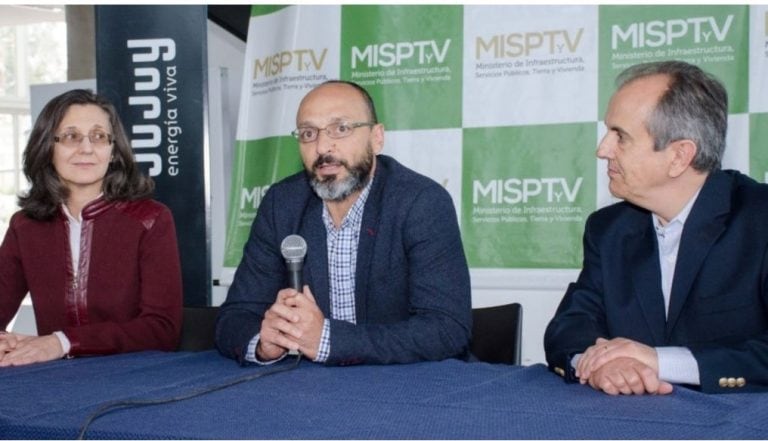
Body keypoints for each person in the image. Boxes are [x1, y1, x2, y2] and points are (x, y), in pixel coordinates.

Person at [544, 60, 768, 395]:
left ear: (679, 156)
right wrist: (602, 363)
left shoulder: (760, 219)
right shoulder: (609, 230)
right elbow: (569, 327)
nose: (602, 150)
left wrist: (659, 362)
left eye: (620, 136)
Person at [216, 80, 471, 365]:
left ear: (376, 138)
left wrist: (326, 340)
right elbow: (234, 318)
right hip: (311, 393)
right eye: (308, 133)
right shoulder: (282, 204)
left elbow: (446, 328)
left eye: (341, 128)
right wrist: (264, 342)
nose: (323, 146)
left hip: (407, 389)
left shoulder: (421, 202)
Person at [0, 89, 183, 366]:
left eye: (99, 136)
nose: (86, 148)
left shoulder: (151, 219)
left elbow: (162, 330)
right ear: (48, 148)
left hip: (135, 379)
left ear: (113, 151)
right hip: (54, 381)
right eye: (71, 136)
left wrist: (61, 341)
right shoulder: (24, 226)